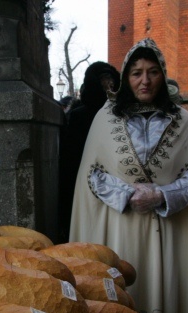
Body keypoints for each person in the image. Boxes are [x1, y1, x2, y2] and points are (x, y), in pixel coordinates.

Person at [70, 38, 188, 313]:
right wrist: (128, 195)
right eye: (136, 73)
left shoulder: (182, 120)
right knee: (121, 298)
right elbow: (91, 174)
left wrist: (161, 195)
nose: (144, 80)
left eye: (151, 72)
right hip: (119, 228)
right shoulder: (105, 118)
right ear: (126, 78)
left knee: (161, 289)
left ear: (162, 76)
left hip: (166, 231)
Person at [57, 61, 120, 243]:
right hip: (84, 179)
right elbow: (70, 161)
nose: (109, 87)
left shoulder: (121, 113)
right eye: (104, 82)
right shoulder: (79, 116)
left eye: (111, 82)